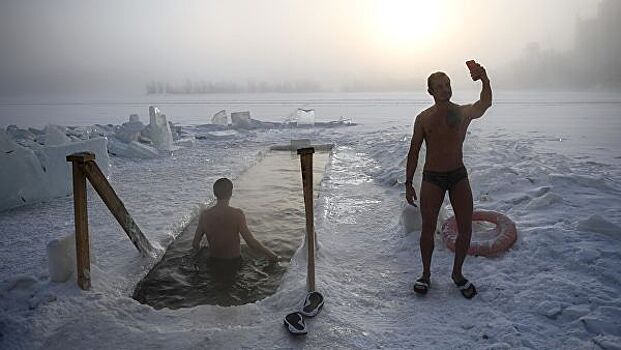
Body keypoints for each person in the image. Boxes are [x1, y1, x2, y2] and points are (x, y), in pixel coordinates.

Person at [405, 62, 492, 299]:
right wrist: (408, 182)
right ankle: (425, 274)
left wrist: (484, 80)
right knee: (427, 228)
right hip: (432, 178)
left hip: (457, 175)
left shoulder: (461, 112)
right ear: (430, 92)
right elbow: (414, 150)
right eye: (439, 87)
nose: (445, 89)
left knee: (465, 229)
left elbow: (484, 104)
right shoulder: (423, 118)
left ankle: (457, 274)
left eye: (447, 85)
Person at [192, 178, 280, 262]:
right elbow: (251, 242)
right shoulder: (237, 214)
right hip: (234, 261)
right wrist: (271, 255)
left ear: (214, 193)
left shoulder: (205, 215)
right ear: (231, 193)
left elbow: (195, 244)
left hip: (213, 260)